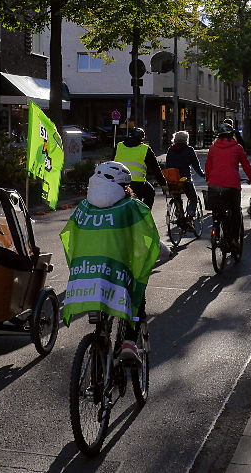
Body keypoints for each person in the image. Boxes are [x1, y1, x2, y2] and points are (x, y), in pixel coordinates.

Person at [60, 162, 167, 367]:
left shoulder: (83, 207)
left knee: (101, 320)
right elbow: (149, 238)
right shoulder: (132, 206)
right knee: (136, 297)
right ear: (125, 186)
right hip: (117, 270)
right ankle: (128, 343)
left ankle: (98, 327)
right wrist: (164, 253)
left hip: (86, 272)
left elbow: (69, 236)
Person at [205, 123, 251, 250]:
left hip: (214, 184)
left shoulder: (213, 148)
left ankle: (216, 230)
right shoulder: (238, 148)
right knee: (235, 211)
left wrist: (209, 179)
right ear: (232, 135)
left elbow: (208, 166)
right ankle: (233, 239)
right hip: (232, 185)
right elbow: (246, 166)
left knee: (217, 211)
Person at [113, 127, 166, 209]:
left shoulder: (118, 146)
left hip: (117, 182)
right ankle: (144, 216)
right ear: (142, 138)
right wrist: (163, 184)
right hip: (137, 183)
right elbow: (156, 169)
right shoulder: (145, 149)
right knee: (150, 192)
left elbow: (111, 163)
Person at [165, 130, 206, 219]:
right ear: (186, 140)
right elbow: (196, 165)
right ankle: (190, 214)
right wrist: (202, 174)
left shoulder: (170, 149)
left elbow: (167, 165)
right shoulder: (189, 150)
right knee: (193, 198)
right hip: (185, 179)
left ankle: (178, 211)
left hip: (173, 179)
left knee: (177, 196)